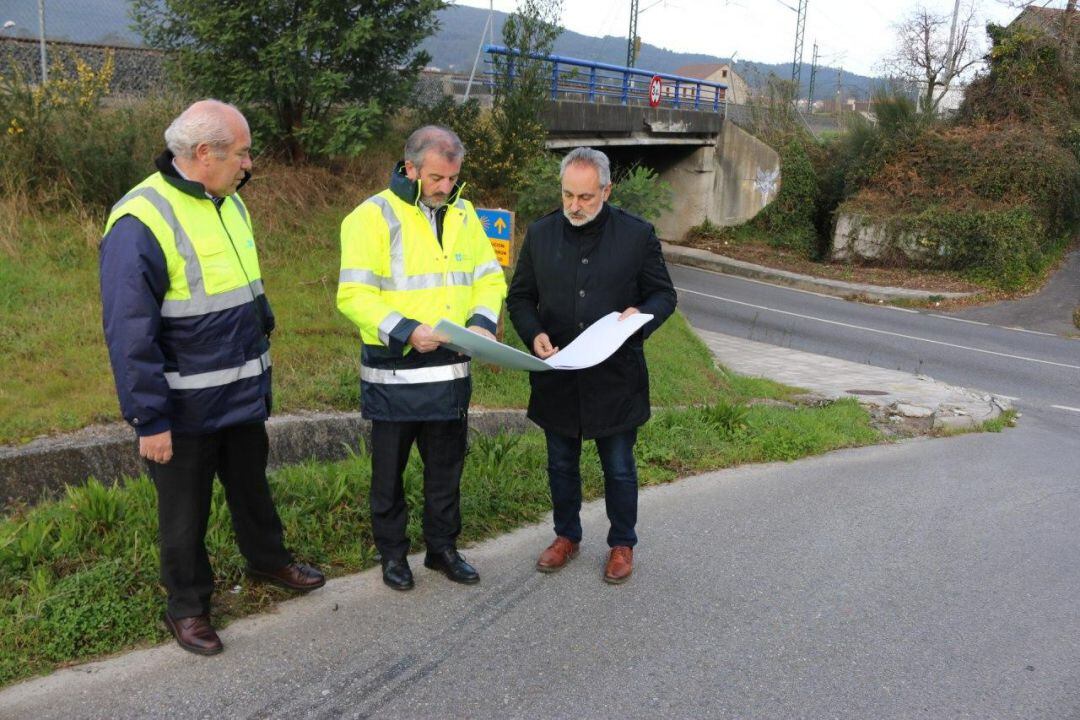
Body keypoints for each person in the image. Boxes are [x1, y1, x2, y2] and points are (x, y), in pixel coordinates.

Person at [99, 99, 325, 656]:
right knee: (184, 514)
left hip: (240, 389)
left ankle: (268, 561)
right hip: (182, 408)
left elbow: (244, 290)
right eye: (243, 153)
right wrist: (149, 419)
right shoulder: (140, 221)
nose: (250, 164)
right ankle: (188, 607)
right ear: (204, 154)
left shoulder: (228, 203)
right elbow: (130, 336)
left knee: (252, 488)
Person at [337, 125, 507, 591]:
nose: (445, 188)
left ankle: (442, 548)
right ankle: (393, 554)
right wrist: (411, 331)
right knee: (388, 474)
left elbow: (490, 278)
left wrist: (481, 321)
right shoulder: (370, 217)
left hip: (450, 369)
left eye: (453, 179)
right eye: (436, 178)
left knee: (446, 468)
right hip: (396, 371)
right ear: (409, 168)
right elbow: (353, 296)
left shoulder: (465, 214)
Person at [506, 146, 676, 585]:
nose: (574, 207)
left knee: (618, 465)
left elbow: (664, 296)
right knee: (560, 463)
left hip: (615, 378)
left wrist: (636, 319)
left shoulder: (637, 235)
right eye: (567, 196)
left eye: (585, 198)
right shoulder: (541, 234)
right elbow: (521, 297)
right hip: (558, 376)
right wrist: (534, 333)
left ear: (606, 190)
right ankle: (567, 536)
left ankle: (622, 543)